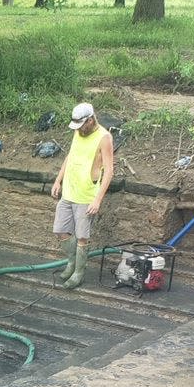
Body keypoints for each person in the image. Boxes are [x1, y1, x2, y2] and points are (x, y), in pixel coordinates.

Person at [51, 102, 114, 289]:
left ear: (90, 120)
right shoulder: (78, 132)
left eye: (81, 125)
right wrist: (58, 180)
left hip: (87, 195)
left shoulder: (104, 137)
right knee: (60, 230)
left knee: (81, 237)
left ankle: (78, 272)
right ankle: (71, 261)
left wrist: (97, 199)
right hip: (69, 191)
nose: (79, 129)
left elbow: (109, 170)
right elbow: (70, 156)